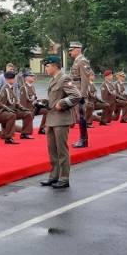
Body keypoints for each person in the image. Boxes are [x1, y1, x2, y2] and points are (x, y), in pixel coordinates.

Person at [38, 56, 81, 189]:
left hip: (61, 119)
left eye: (47, 66)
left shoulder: (64, 79)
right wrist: (44, 102)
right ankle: (54, 176)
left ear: (54, 67)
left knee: (61, 150)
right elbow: (54, 99)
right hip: (51, 119)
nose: (46, 69)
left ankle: (64, 178)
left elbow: (76, 96)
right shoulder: (53, 80)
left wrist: (62, 104)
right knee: (52, 150)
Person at [68, 41, 92, 148]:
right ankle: (82, 139)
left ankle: (84, 140)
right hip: (75, 92)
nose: (70, 52)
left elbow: (85, 79)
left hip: (79, 94)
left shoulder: (82, 61)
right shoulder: (77, 61)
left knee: (82, 117)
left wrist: (82, 95)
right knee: (79, 117)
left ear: (78, 50)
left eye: (71, 50)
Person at [0, 71, 34, 139]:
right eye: (11, 78)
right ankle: (8, 137)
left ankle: (24, 133)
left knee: (28, 113)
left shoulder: (11, 88)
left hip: (14, 110)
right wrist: (7, 111)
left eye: (13, 78)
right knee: (11, 115)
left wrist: (22, 108)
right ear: (7, 79)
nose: (13, 79)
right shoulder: (4, 89)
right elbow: (1, 104)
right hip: (8, 111)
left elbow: (15, 102)